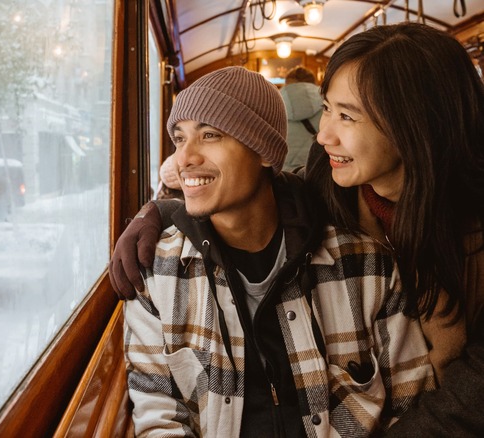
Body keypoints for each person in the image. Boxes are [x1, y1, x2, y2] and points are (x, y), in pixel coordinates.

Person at [111, 22, 484, 436]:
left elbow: (462, 396)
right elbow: (276, 195)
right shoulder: (333, 183)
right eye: (327, 108)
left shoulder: (374, 262)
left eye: (346, 115)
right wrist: (161, 213)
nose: (323, 135)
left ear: (413, 127)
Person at [281, 66, 322, 171]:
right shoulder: (328, 105)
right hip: (318, 171)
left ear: (286, 84)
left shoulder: (272, 104)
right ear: (313, 82)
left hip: (283, 175)